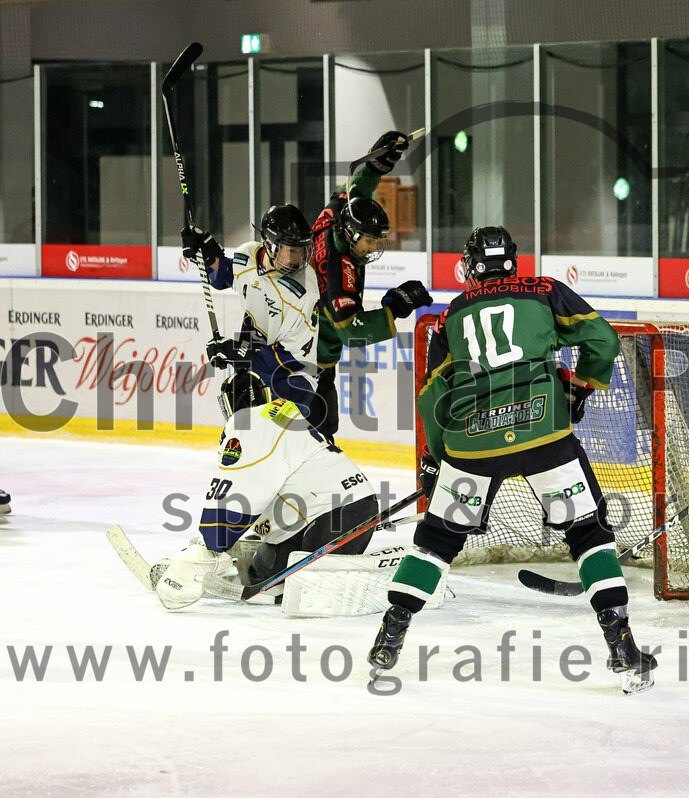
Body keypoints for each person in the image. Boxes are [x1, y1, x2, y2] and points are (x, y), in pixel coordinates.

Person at [366, 226, 658, 695]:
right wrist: (581, 389)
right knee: (587, 532)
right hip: (544, 433)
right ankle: (621, 646)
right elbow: (602, 340)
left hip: (472, 445)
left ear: (472, 265)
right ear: (512, 261)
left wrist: (439, 458)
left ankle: (389, 636)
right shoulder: (545, 291)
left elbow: (432, 396)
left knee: (437, 541)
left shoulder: (452, 315)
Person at [153, 369, 382, 610]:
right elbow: (269, 484)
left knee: (308, 588)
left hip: (337, 514)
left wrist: (210, 544)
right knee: (263, 573)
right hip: (342, 510)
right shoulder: (278, 419)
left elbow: (242, 488)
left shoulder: (252, 423)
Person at [307, 131, 433, 438]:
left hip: (299, 348)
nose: (373, 248)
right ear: (350, 235)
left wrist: (377, 163)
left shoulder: (339, 212)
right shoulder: (340, 270)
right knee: (317, 433)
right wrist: (395, 306)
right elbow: (352, 329)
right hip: (308, 360)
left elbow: (355, 188)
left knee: (317, 432)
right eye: (368, 241)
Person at [181, 204, 320, 415]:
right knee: (240, 440)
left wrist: (238, 352)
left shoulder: (303, 290)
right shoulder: (247, 255)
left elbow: (292, 354)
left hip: (292, 380)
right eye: (292, 250)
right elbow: (227, 276)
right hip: (252, 373)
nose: (298, 258)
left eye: (301, 250)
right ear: (271, 245)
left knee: (280, 444)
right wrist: (206, 257)